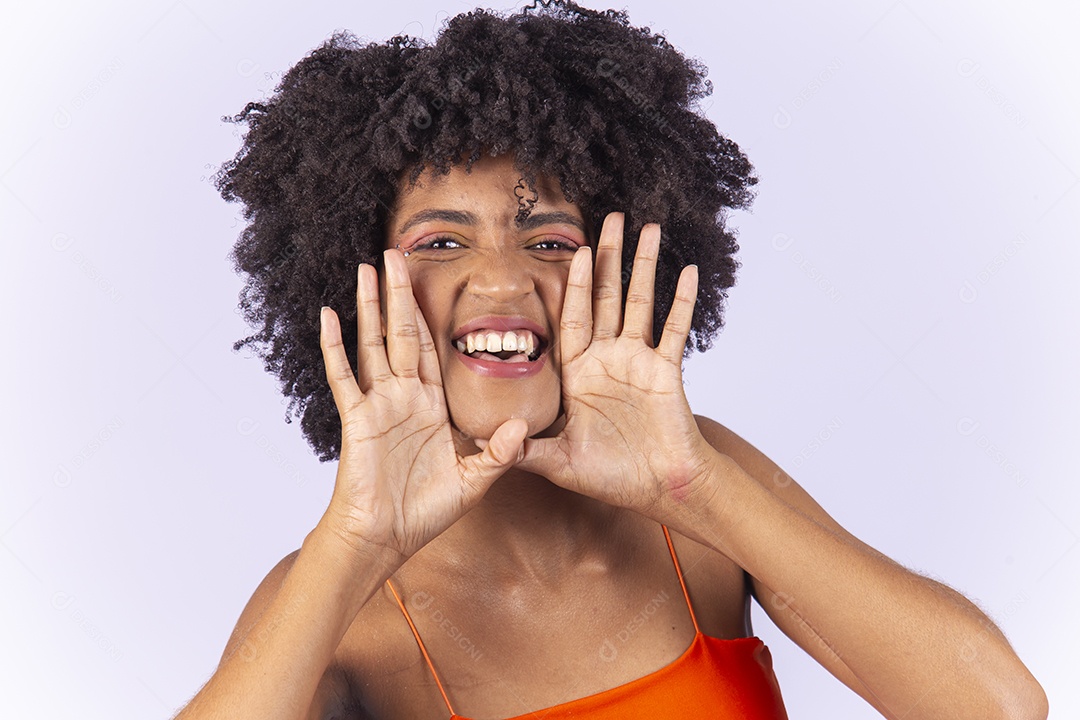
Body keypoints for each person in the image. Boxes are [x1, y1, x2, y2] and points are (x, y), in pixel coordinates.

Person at [175, 2, 1047, 718]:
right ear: (355, 283)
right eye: (441, 241)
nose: (504, 280)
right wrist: (358, 540)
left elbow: (997, 708)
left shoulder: (699, 498)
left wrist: (698, 491)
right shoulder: (337, 598)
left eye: (550, 239)